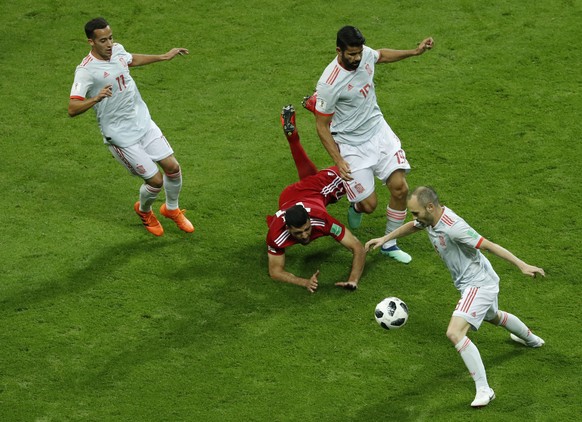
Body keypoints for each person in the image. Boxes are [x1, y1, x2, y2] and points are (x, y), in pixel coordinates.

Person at [366, 186, 545, 408]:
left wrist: (522, 265)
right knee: (492, 316)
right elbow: (414, 226)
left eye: (415, 212)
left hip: (478, 284)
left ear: (430, 206)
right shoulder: (429, 218)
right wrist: (385, 238)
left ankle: (484, 389)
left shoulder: (454, 228)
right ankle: (531, 339)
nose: (415, 218)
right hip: (471, 281)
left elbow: (488, 245)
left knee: (454, 332)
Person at [303, 26, 434, 264]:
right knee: (368, 205)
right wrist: (339, 160)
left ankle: (389, 243)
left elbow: (381, 55)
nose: (356, 58)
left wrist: (415, 52)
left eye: (359, 53)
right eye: (351, 54)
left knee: (400, 188)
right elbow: (322, 126)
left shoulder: (364, 56)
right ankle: (356, 207)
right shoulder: (330, 83)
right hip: (351, 144)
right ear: (339, 50)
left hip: (378, 131)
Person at [68, 17, 194, 236]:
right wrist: (96, 98)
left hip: (143, 122)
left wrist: (163, 56)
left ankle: (171, 209)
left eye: (110, 38)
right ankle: (144, 211)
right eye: (102, 41)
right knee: (155, 181)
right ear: (91, 42)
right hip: (120, 136)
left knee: (173, 168)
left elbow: (131, 60)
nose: (109, 44)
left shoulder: (117, 51)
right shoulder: (85, 71)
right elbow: (72, 107)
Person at [266, 105, 366, 293]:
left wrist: (353, 280)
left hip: (316, 191)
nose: (305, 235)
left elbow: (358, 248)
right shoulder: (276, 234)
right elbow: (275, 272)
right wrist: (304, 282)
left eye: (306, 229)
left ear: (310, 221)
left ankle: (322, 117)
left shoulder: (321, 219)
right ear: (288, 228)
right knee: (320, 177)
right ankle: (301, 131)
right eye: (299, 233)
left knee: (353, 166)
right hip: (292, 195)